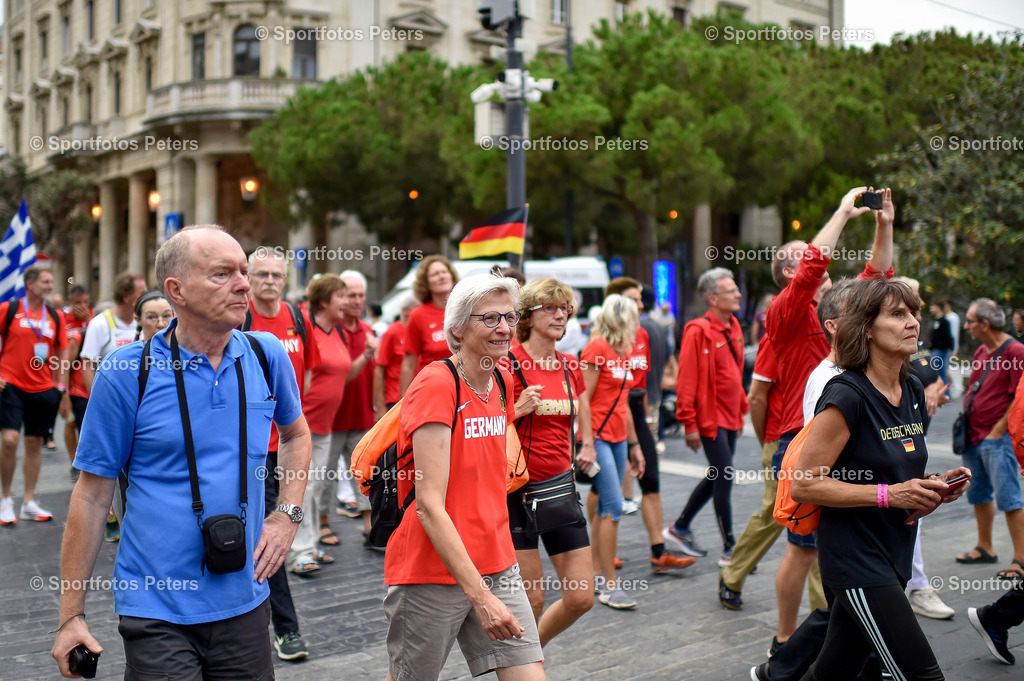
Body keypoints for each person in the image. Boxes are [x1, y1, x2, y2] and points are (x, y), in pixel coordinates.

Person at [51, 225, 311, 680]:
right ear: (177, 290)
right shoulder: (127, 372)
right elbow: (91, 497)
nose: (244, 284)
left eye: (244, 272)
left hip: (245, 599)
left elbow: (296, 435)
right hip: (156, 608)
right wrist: (71, 614)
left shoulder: (266, 354)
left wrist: (286, 514)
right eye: (222, 274)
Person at [789, 278, 968, 681]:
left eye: (915, 313)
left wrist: (933, 486)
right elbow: (804, 482)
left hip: (896, 551)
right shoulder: (846, 394)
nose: (913, 323)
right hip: (856, 558)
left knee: (836, 671)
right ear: (867, 327)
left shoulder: (912, 388)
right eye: (898, 314)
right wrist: (892, 494)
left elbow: (896, 470)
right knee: (924, 675)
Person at [383, 273, 544, 681]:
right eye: (489, 318)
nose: (505, 328)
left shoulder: (502, 380)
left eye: (510, 316)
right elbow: (428, 506)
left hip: (497, 561)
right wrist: (480, 597)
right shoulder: (437, 385)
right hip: (431, 570)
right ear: (456, 327)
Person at [763, 186, 893, 649]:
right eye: (805, 256)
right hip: (806, 442)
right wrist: (840, 211)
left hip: (851, 441)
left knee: (835, 552)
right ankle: (784, 640)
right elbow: (815, 265)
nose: (819, 256)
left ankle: (837, 639)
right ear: (788, 272)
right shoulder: (784, 313)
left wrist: (884, 223)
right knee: (802, 550)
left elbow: (877, 276)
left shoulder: (840, 310)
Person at [501, 277, 597, 646]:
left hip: (560, 491)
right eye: (550, 308)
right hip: (517, 496)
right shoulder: (508, 362)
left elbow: (582, 403)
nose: (560, 315)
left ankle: (527, 657)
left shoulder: (570, 364)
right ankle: (523, 667)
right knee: (532, 600)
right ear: (527, 314)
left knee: (580, 597)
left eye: (565, 309)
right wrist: (516, 409)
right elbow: (480, 427)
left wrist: (587, 444)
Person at [242, 249, 320, 661]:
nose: (270, 281)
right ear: (249, 278)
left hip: (289, 442)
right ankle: (284, 630)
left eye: (277, 275)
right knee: (262, 534)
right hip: (254, 448)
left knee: (274, 530)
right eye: (262, 275)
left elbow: (304, 373)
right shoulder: (243, 319)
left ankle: (276, 626)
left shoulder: (295, 316)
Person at [664, 268, 748, 567]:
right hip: (709, 418)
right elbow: (686, 380)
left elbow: (736, 374)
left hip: (729, 417)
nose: (738, 294)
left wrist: (740, 412)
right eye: (731, 290)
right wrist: (689, 423)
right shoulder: (697, 330)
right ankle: (730, 547)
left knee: (717, 474)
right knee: (724, 475)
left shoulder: (735, 325)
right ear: (712, 298)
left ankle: (679, 527)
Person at [289, 274, 369, 570]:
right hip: (303, 425)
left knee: (316, 487)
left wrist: (366, 356)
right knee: (304, 489)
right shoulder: (306, 328)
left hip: (325, 425)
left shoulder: (338, 332)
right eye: (341, 297)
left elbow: (342, 375)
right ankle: (300, 551)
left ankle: (308, 545)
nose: (348, 302)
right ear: (324, 301)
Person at [581, 294, 646, 610]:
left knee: (608, 507)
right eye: (634, 315)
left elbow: (624, 404)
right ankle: (609, 585)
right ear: (621, 319)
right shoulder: (596, 349)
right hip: (599, 436)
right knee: (613, 506)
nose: (638, 321)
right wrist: (586, 442)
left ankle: (595, 574)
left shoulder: (622, 352)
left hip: (619, 437)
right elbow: (583, 398)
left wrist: (635, 446)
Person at [955, 298, 1024, 580]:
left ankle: (1020, 559)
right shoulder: (983, 349)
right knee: (978, 493)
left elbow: (1019, 396)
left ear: (984, 324)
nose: (967, 326)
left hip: (997, 438)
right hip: (973, 436)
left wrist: (998, 430)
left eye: (970, 321)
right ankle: (985, 546)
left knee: (1009, 496)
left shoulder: (1016, 351)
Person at [0, 265, 69, 525]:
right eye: (46, 281)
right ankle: (6, 498)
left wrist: (61, 387)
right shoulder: (10, 309)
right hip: (12, 385)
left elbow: (63, 351)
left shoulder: (55, 315)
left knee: (33, 444)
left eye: (52, 282)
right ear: (30, 284)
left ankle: (28, 501)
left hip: (43, 389)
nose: (50, 286)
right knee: (9, 440)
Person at [325, 270, 378, 548]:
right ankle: (323, 524)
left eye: (361, 295)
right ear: (340, 297)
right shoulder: (331, 330)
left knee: (365, 473)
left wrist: (377, 407)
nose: (356, 301)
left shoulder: (367, 330)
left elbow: (375, 374)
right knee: (325, 476)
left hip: (361, 415)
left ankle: (369, 527)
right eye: (351, 295)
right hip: (332, 418)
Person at [400, 255, 459, 396]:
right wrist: (403, 402)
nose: (441, 276)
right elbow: (409, 364)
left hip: (463, 388)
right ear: (426, 283)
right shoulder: (417, 315)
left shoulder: (465, 311)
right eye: (435, 274)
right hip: (431, 390)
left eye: (444, 272)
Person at [63, 285, 93, 480]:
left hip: (89, 383)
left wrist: (87, 321)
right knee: (70, 422)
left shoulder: (94, 319)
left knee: (87, 426)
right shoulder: (62, 320)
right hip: (70, 384)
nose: (82, 307)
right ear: (70, 303)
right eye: (77, 303)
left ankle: (86, 462)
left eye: (85, 302)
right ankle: (74, 462)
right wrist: (63, 393)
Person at [375, 293, 416, 418]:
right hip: (395, 401)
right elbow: (379, 369)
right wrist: (380, 406)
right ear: (405, 310)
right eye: (417, 308)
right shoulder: (392, 332)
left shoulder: (418, 331)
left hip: (417, 396)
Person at [929, 300, 955, 391]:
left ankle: (945, 392)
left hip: (941, 350)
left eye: (933, 306)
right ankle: (946, 392)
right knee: (941, 371)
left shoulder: (944, 321)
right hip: (935, 349)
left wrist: (952, 350)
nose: (931, 308)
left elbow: (948, 336)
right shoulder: (937, 321)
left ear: (938, 308)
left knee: (938, 371)